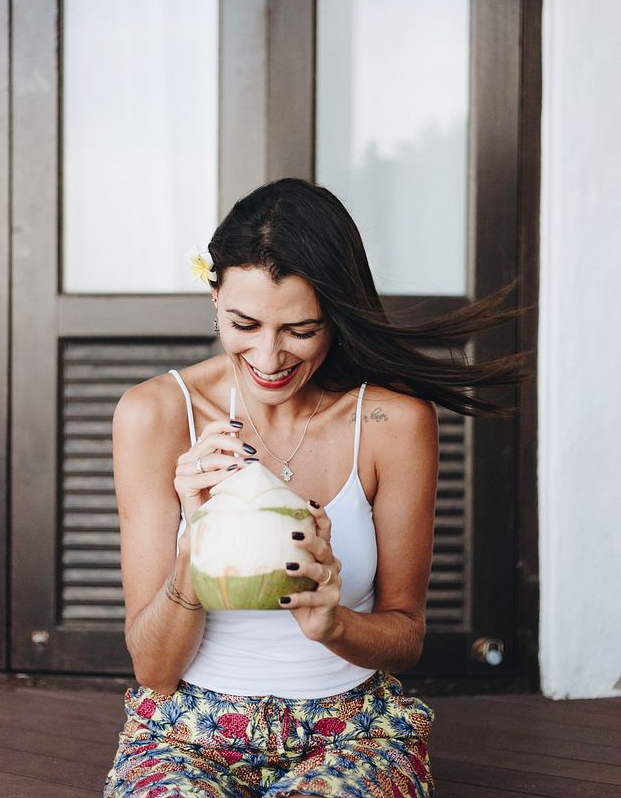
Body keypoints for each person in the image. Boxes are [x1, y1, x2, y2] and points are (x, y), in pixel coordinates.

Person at [104, 178, 528, 797]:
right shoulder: (156, 414)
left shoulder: (390, 423)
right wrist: (196, 546)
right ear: (214, 295)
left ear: (338, 316)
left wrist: (330, 622)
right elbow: (153, 667)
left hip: (352, 731)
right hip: (183, 732)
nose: (269, 357)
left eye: (301, 329)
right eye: (243, 323)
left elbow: (404, 638)